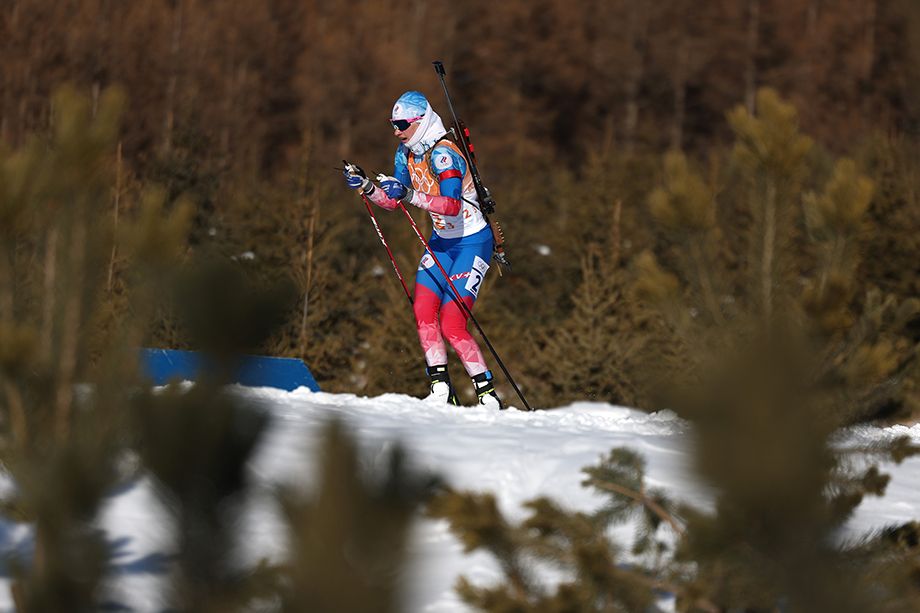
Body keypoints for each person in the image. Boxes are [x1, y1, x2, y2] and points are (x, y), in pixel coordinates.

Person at [343, 90, 502, 410]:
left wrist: (408, 193)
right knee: (423, 311)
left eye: (402, 124)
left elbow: (452, 206)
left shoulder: (445, 155)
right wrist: (368, 186)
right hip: (442, 243)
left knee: (452, 323)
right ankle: (441, 388)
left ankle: (486, 393)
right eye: (393, 124)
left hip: (472, 241)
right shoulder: (405, 154)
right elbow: (392, 201)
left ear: (421, 121)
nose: (396, 130)